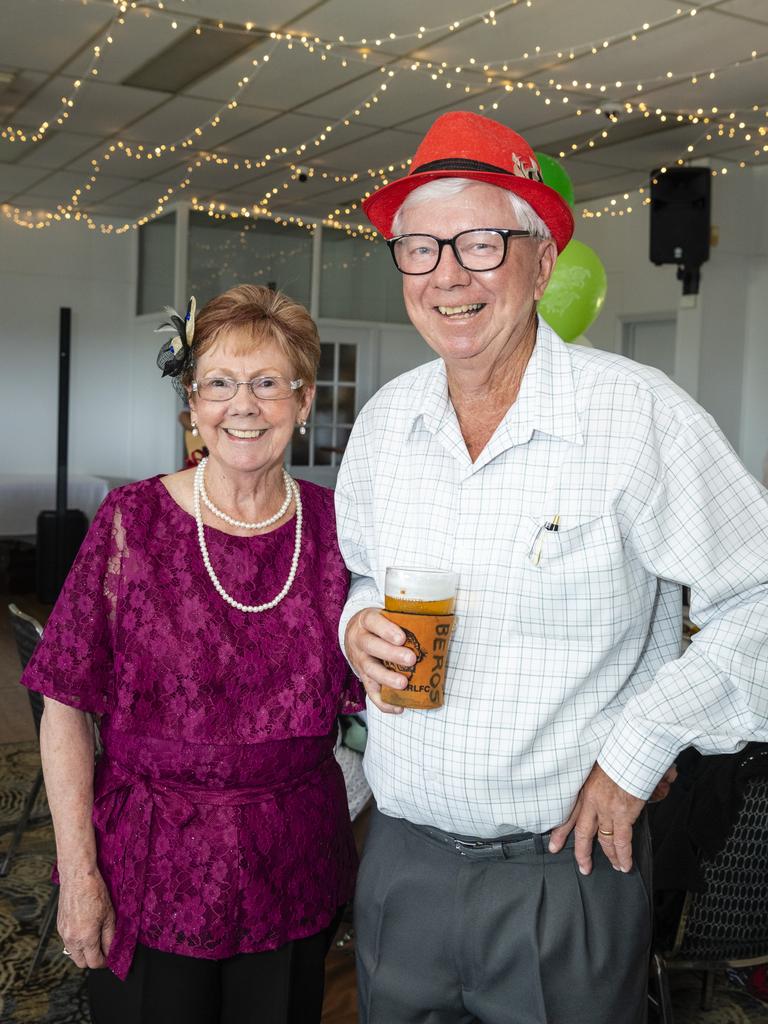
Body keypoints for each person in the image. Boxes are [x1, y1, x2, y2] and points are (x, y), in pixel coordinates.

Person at [335, 111, 768, 1024]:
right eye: (420, 247)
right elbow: (363, 572)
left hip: (563, 874)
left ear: (541, 262)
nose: (447, 274)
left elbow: (759, 595)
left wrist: (639, 748)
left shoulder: (637, 418)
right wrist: (356, 621)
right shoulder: (383, 423)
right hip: (400, 862)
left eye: (481, 242)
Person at [22, 284, 364, 1024]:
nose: (243, 405)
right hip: (151, 867)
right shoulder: (131, 523)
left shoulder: (342, 530)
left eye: (267, 382)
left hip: (294, 864)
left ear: (303, 402)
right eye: (219, 383)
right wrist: (80, 875)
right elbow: (64, 705)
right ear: (193, 403)